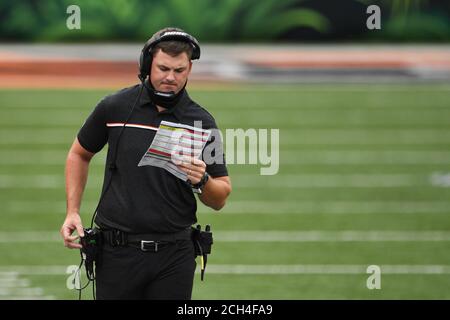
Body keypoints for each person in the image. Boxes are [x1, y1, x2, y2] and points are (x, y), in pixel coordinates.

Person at [60, 27, 231, 300]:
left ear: (189, 70)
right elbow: (79, 154)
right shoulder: (115, 106)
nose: (170, 77)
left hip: (174, 255)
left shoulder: (202, 122)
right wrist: (73, 211)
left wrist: (203, 180)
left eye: (179, 70)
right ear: (147, 64)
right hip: (117, 253)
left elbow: (220, 196)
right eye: (163, 68)